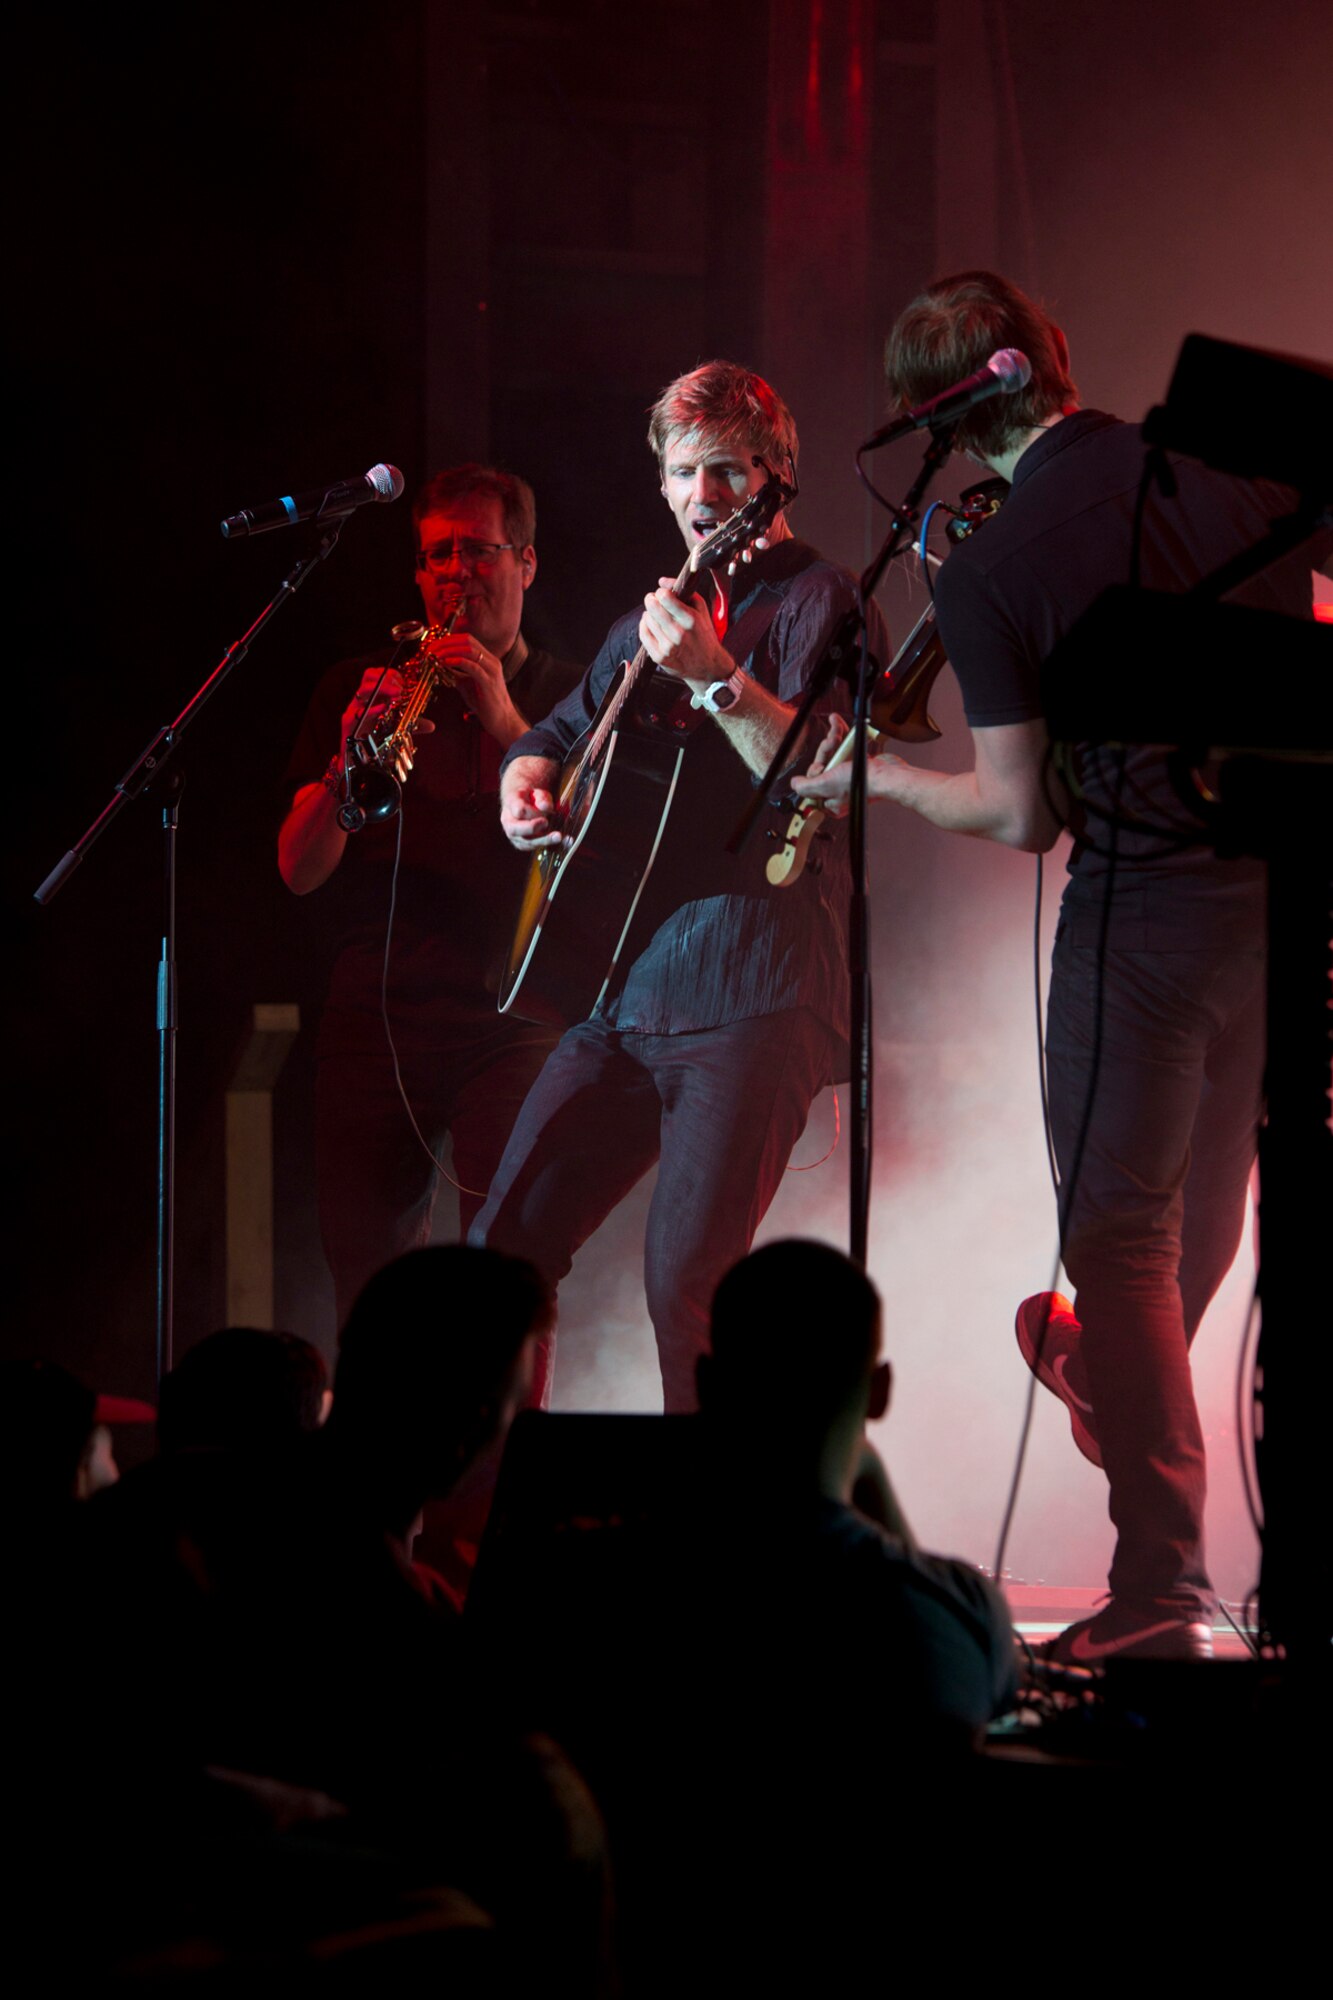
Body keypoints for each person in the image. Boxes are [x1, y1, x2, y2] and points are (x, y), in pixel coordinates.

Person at [793, 270, 1327, 1661]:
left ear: (944, 416)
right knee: (1198, 1224)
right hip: (1281, 899)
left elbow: (1022, 816)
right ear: (1053, 364)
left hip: (1140, 919)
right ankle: (1110, 1384)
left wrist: (882, 780)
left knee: (1121, 1241)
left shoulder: (989, 564)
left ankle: (1156, 1587)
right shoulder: (1232, 473)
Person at [471, 361, 886, 1411]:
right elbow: (552, 741)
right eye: (681, 470)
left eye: (724, 470)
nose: (701, 494)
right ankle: (488, 1526)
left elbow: (819, 785)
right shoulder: (638, 622)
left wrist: (713, 672)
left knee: (690, 1287)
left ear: (774, 475)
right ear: (659, 485)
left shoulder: (824, 600)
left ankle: (713, 1555)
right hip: (624, 993)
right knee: (497, 1259)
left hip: (753, 991)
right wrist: (523, 793)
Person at [279, 466, 583, 1327]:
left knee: (512, 1277)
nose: (456, 574)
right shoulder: (357, 686)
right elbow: (299, 870)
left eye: (479, 553)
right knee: (369, 1289)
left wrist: (495, 706)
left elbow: (596, 830)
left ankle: (506, 1459)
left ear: (525, 564)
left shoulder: (570, 690)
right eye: (437, 555)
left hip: (515, 1017)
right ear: (417, 573)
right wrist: (347, 762)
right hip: (372, 1023)